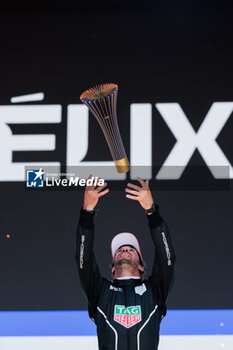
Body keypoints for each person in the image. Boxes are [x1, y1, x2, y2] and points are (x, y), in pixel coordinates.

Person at [75, 176, 176, 350]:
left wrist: (152, 213)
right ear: (113, 268)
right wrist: (87, 213)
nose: (125, 250)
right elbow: (83, 260)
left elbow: (166, 258)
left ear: (142, 266)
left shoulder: (154, 290)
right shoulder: (100, 291)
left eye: (131, 248)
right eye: (120, 249)